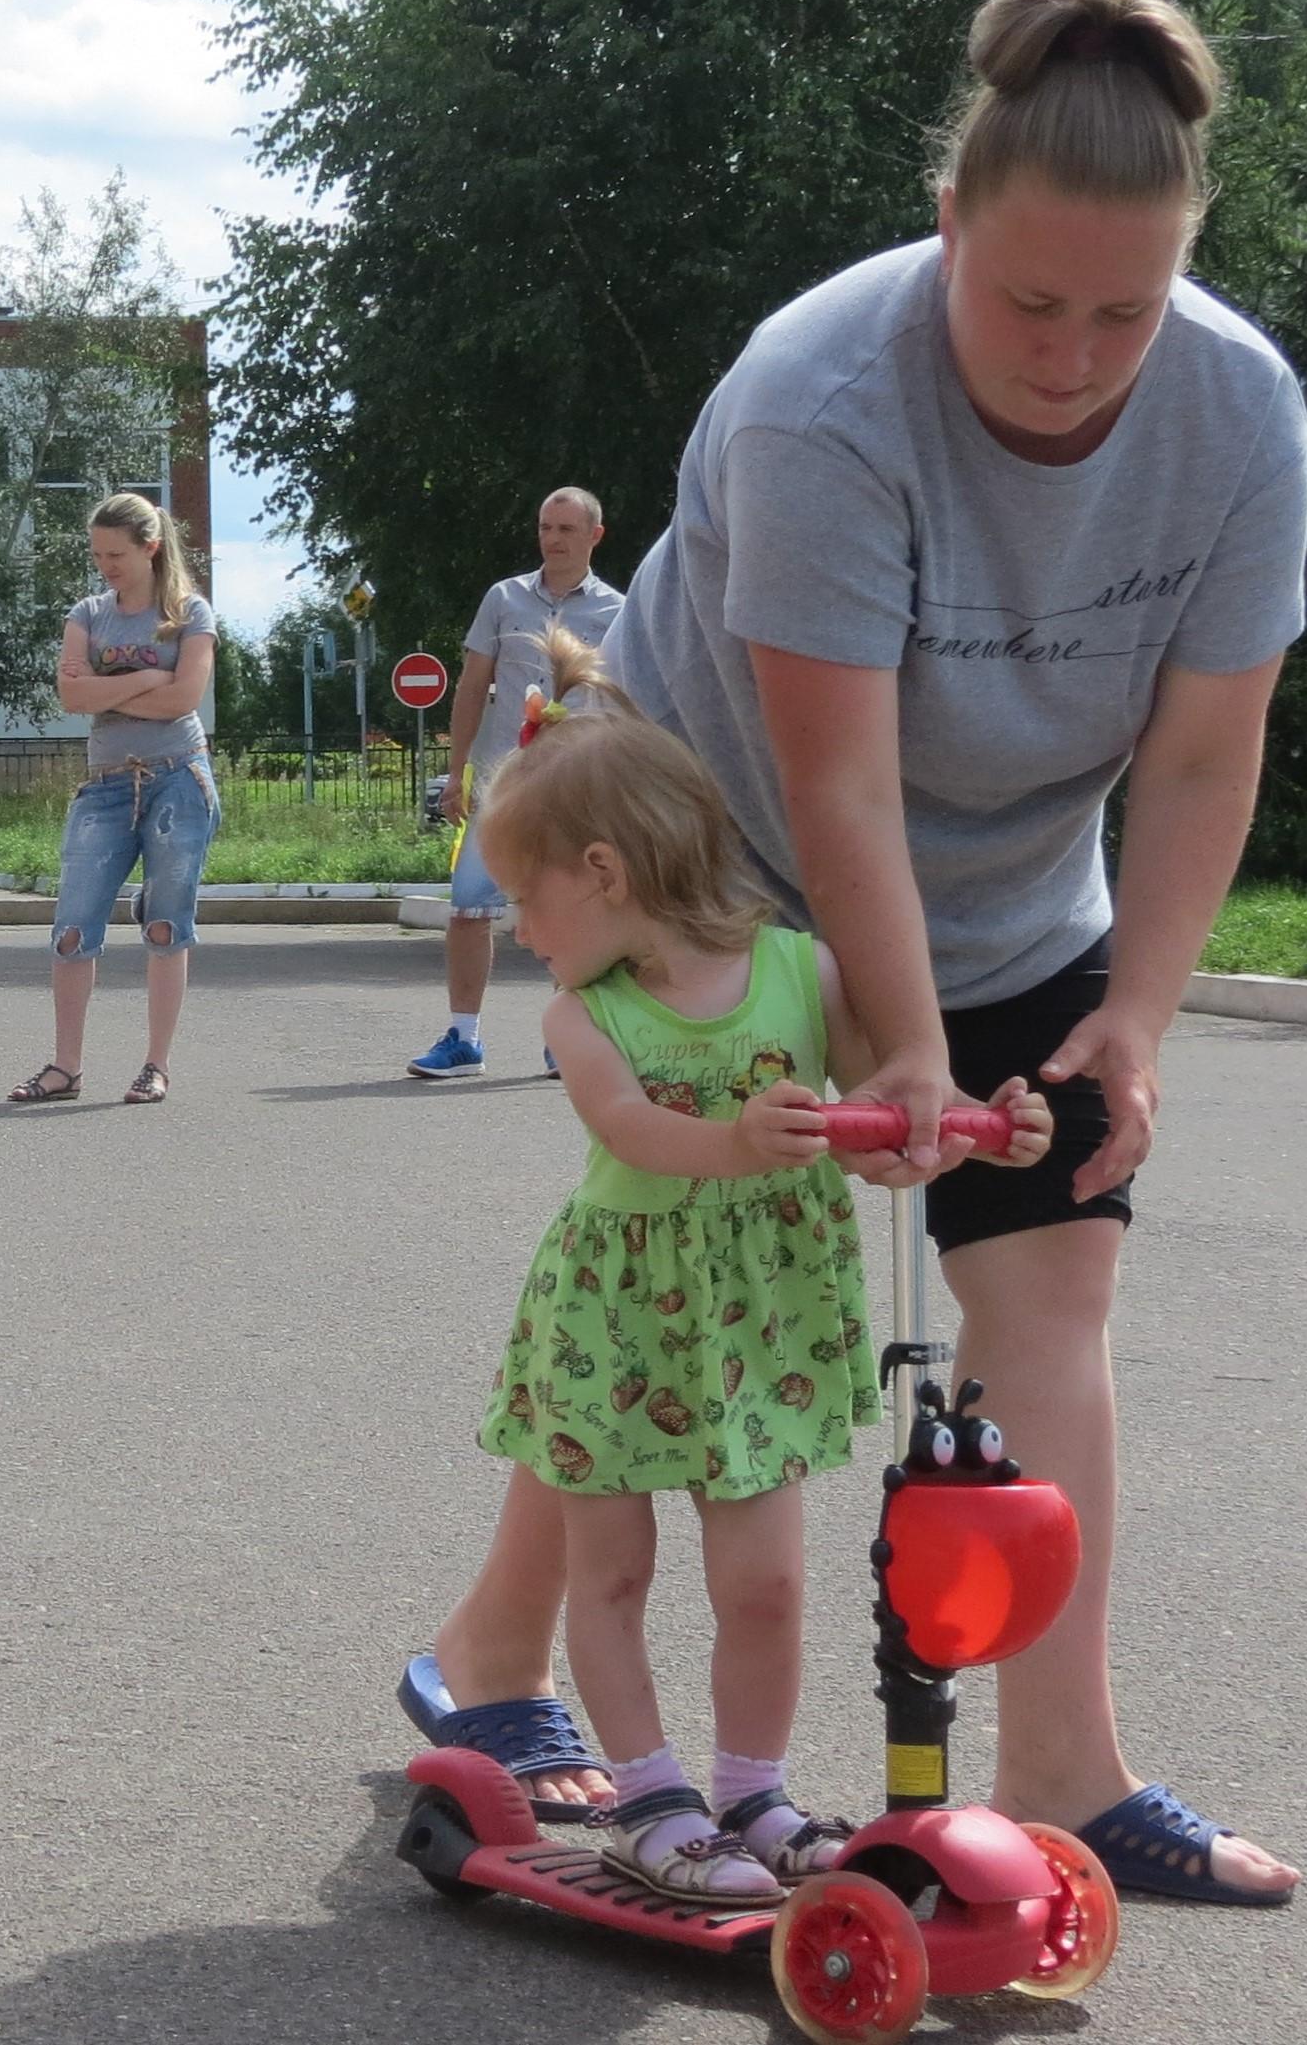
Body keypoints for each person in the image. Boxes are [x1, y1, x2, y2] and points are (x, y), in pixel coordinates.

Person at [407, 0, 1307, 1905]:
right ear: (949, 224)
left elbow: (1212, 744)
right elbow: (841, 787)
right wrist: (900, 1051)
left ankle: (1071, 1769)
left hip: (1021, 884)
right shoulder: (824, 392)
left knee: (1051, 1288)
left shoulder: (1239, 412)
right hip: (737, 855)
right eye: (1028, 306)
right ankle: (497, 1664)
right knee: (682, 1265)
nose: (1073, 362)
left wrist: (1134, 1015)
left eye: (1123, 316)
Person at [461, 634, 1050, 1900]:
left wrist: (968, 1135)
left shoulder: (801, 969)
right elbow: (630, 1131)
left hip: (762, 1317)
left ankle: (751, 1789)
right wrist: (739, 1138)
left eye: (526, 895)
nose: (516, 930)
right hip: (614, 1316)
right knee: (611, 1566)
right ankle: (653, 1791)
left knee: (767, 1581)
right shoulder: (587, 1015)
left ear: (604, 873)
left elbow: (878, 1120)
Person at [7, 493, 217, 1109]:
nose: (106, 566)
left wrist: (108, 690)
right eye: (98, 554)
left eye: (117, 554)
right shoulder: (89, 612)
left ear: (151, 548)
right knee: (72, 927)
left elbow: (184, 702)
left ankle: (155, 1065)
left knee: (165, 923)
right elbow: (71, 698)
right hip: (103, 786)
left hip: (178, 777)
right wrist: (149, 678)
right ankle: (65, 1068)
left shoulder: (189, 613)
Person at [408, 487, 626, 1079]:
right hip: (504, 783)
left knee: (574, 907)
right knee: (469, 904)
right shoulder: (504, 598)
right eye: (545, 527)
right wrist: (456, 772)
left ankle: (567, 1038)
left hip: (576, 784)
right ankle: (463, 1038)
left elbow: (625, 701)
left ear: (594, 536)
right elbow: (473, 685)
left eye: (565, 529)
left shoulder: (618, 611)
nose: (552, 539)